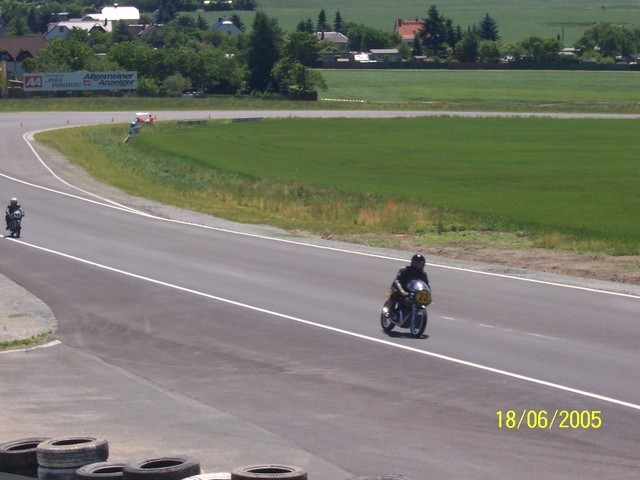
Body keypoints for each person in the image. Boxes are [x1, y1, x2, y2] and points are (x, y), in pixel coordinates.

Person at [384, 254, 430, 318]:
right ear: (412, 262)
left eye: (421, 264)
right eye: (417, 263)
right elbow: (397, 281)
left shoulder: (423, 274)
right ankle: (390, 311)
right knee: (396, 294)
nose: (418, 265)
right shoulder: (405, 270)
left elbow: (426, 285)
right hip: (401, 288)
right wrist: (402, 291)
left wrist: (428, 294)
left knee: (421, 301)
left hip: (413, 291)